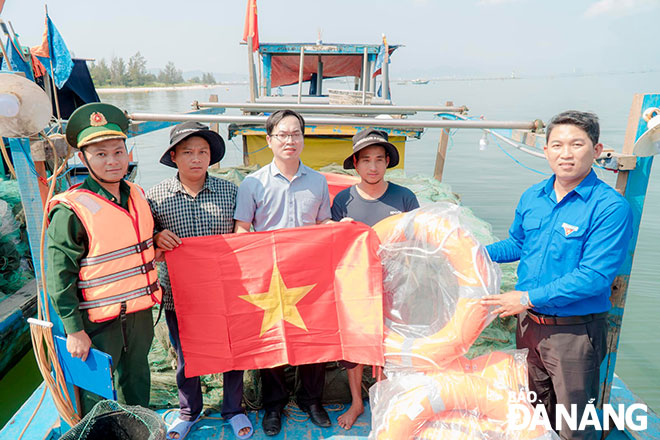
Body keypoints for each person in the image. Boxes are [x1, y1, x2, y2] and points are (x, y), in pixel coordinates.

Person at [481, 111, 633, 440]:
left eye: (577, 144)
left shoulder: (609, 207)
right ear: (546, 150)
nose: (566, 153)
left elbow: (594, 276)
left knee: (575, 426)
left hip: (574, 336)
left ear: (596, 149)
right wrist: (474, 252)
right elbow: (517, 243)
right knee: (535, 414)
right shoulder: (533, 196)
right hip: (529, 328)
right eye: (557, 145)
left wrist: (526, 297)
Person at [47, 103, 161, 414]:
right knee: (97, 396)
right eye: (101, 154)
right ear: (82, 158)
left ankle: (140, 430)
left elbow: (141, 240)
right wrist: (73, 329)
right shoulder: (71, 209)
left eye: (118, 151)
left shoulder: (137, 194)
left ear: (128, 153)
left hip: (138, 314)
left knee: (137, 380)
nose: (112, 161)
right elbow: (59, 277)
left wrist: (158, 240)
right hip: (96, 322)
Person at [146, 122, 252, 440]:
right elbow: (143, 240)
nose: (196, 158)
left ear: (211, 157)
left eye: (203, 152)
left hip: (225, 290)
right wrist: (155, 237)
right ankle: (189, 411)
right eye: (188, 152)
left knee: (232, 353)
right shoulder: (155, 197)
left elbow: (245, 233)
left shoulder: (230, 191)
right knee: (185, 354)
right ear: (174, 157)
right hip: (178, 294)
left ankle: (233, 408)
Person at [234, 109, 333, 436]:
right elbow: (241, 230)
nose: (289, 140)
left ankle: (311, 400)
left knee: (313, 339)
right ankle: (274, 404)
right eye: (283, 134)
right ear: (269, 140)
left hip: (309, 276)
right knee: (271, 339)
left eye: (296, 134)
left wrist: (341, 231)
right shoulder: (252, 184)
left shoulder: (318, 182)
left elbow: (323, 226)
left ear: (303, 138)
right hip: (269, 278)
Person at [330, 128, 419, 429]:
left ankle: (382, 399)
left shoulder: (404, 197)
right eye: (365, 159)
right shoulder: (343, 200)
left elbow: (417, 241)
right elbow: (332, 247)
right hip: (355, 286)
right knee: (355, 347)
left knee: (387, 344)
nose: (372, 166)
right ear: (355, 164)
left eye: (379, 159)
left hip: (395, 284)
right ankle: (357, 402)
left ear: (387, 163)